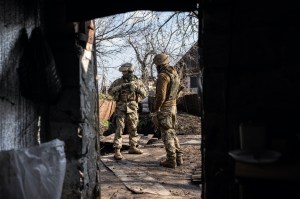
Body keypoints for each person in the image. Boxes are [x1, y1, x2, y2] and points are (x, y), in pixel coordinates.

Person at [108, 63, 148, 160]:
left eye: (125, 71)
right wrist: (121, 86)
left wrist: (136, 88)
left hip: (132, 106)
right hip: (121, 107)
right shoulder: (118, 81)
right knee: (119, 128)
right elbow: (110, 91)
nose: (123, 73)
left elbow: (145, 93)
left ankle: (133, 147)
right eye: (122, 72)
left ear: (130, 71)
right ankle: (117, 150)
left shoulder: (137, 81)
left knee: (133, 128)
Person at [152, 53, 183, 168]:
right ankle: (179, 157)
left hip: (165, 108)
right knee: (171, 131)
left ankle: (171, 159)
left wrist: (156, 109)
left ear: (158, 64)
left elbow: (161, 96)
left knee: (166, 133)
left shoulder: (163, 75)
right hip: (173, 107)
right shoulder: (174, 73)